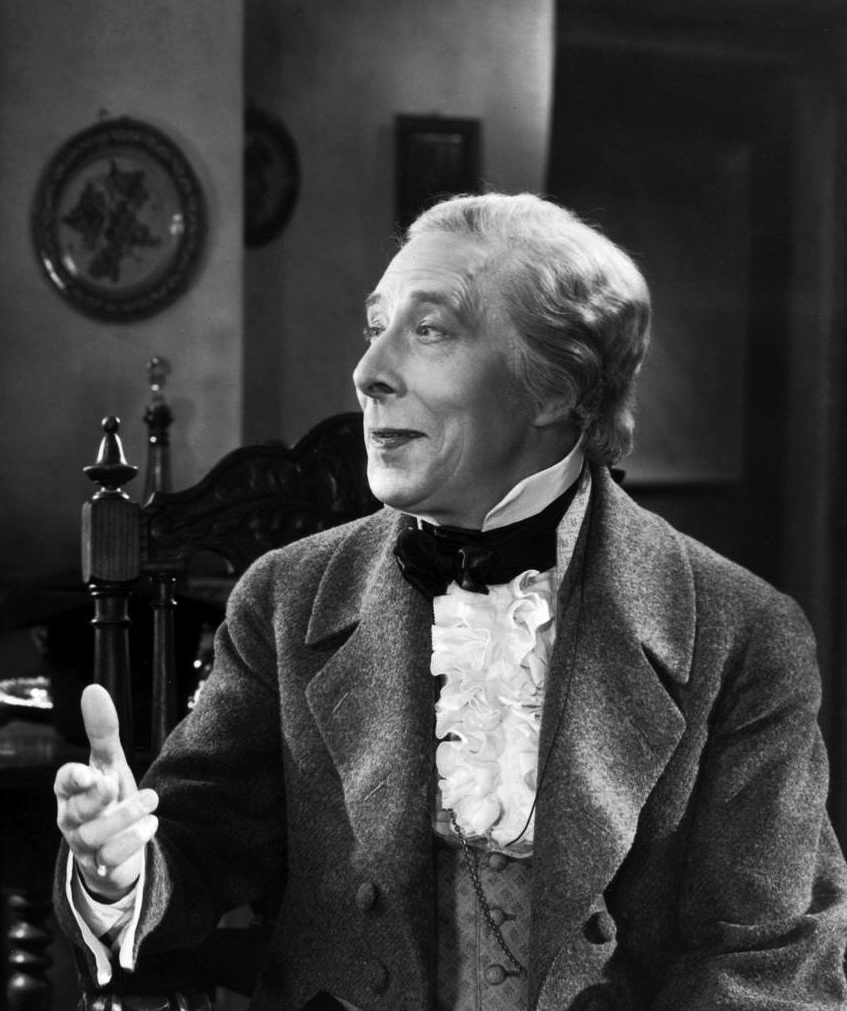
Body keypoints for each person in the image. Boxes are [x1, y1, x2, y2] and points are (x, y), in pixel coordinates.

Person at [53, 192, 847, 1009]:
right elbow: (196, 846)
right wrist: (120, 869)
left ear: (553, 387)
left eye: (428, 330)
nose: (367, 372)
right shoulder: (287, 597)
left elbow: (767, 961)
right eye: (375, 327)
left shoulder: (741, 633)